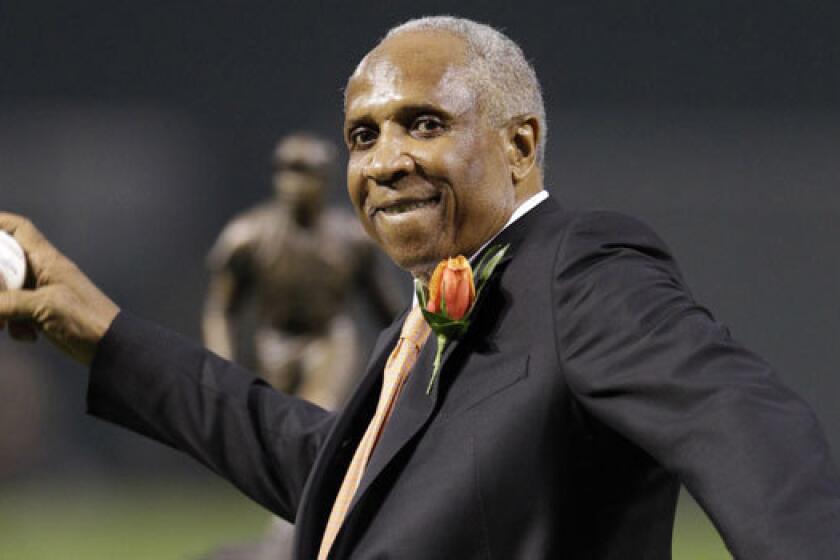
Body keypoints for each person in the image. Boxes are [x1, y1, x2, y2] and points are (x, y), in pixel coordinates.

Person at [1, 15, 839, 559]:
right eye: (364, 134)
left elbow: (747, 430)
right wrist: (102, 333)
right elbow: (327, 470)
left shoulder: (579, 270)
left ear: (520, 146)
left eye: (425, 124)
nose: (385, 159)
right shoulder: (416, 331)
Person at [203, 132, 400, 410]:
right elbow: (221, 309)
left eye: (307, 173)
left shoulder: (351, 239)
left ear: (325, 179)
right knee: (273, 421)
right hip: (274, 341)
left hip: (329, 339)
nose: (297, 184)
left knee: (319, 410)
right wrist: (222, 364)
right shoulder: (248, 236)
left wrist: (413, 355)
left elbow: (388, 313)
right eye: (289, 171)